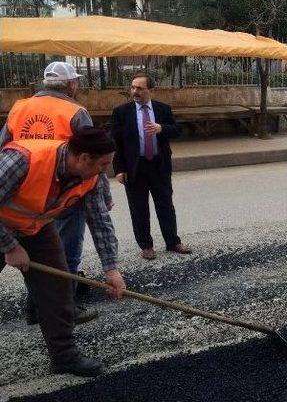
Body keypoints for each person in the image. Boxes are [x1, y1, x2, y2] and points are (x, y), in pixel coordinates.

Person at [0, 128, 127, 377]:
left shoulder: (92, 177)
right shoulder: (23, 160)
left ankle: (64, 358)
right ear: (83, 158)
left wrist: (111, 268)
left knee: (58, 287)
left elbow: (100, 221)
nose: (106, 170)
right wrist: (10, 246)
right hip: (3, 226)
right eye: (103, 164)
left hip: (36, 228)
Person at [1, 61, 113, 324]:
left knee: (43, 256)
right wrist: (103, 194)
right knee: (64, 254)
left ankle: (38, 308)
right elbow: (95, 157)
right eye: (77, 83)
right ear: (72, 85)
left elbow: (3, 144)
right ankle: (65, 307)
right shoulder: (75, 111)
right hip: (66, 187)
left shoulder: (20, 107)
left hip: (23, 187)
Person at [111, 73, 190, 260]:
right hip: (134, 167)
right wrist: (119, 169)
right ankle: (146, 245)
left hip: (158, 165)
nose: (135, 91)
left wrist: (162, 128)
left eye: (139, 88)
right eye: (133, 87)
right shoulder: (121, 112)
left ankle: (172, 242)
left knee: (165, 205)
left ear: (151, 90)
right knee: (139, 208)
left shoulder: (163, 109)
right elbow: (116, 143)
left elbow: (177, 130)